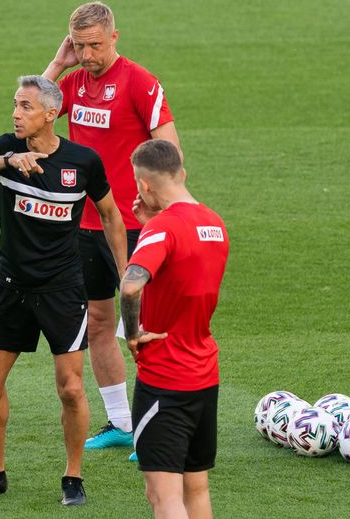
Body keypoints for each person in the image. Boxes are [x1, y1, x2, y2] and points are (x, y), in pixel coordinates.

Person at [0, 76, 127, 506]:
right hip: (11, 287)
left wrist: (125, 272)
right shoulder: (6, 146)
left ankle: (72, 478)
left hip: (63, 290)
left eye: (25, 106)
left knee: (71, 389)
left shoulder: (83, 161)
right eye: (15, 105)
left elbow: (112, 216)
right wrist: (9, 159)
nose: (16, 113)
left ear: (50, 113)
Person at [42, 1, 182, 455]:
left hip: (137, 228)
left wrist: (164, 210)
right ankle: (121, 422)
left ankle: (157, 427)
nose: (86, 55)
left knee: (148, 324)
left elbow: (171, 151)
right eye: (78, 46)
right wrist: (58, 63)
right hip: (84, 226)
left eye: (94, 46)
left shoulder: (140, 82)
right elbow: (32, 116)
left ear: (114, 37)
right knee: (100, 322)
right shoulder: (74, 81)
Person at [119, 139, 228, 519]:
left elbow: (131, 285)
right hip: (204, 373)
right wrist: (151, 224)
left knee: (164, 496)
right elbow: (184, 269)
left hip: (165, 377)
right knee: (196, 489)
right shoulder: (215, 223)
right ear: (181, 173)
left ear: (145, 186)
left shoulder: (163, 228)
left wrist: (132, 333)